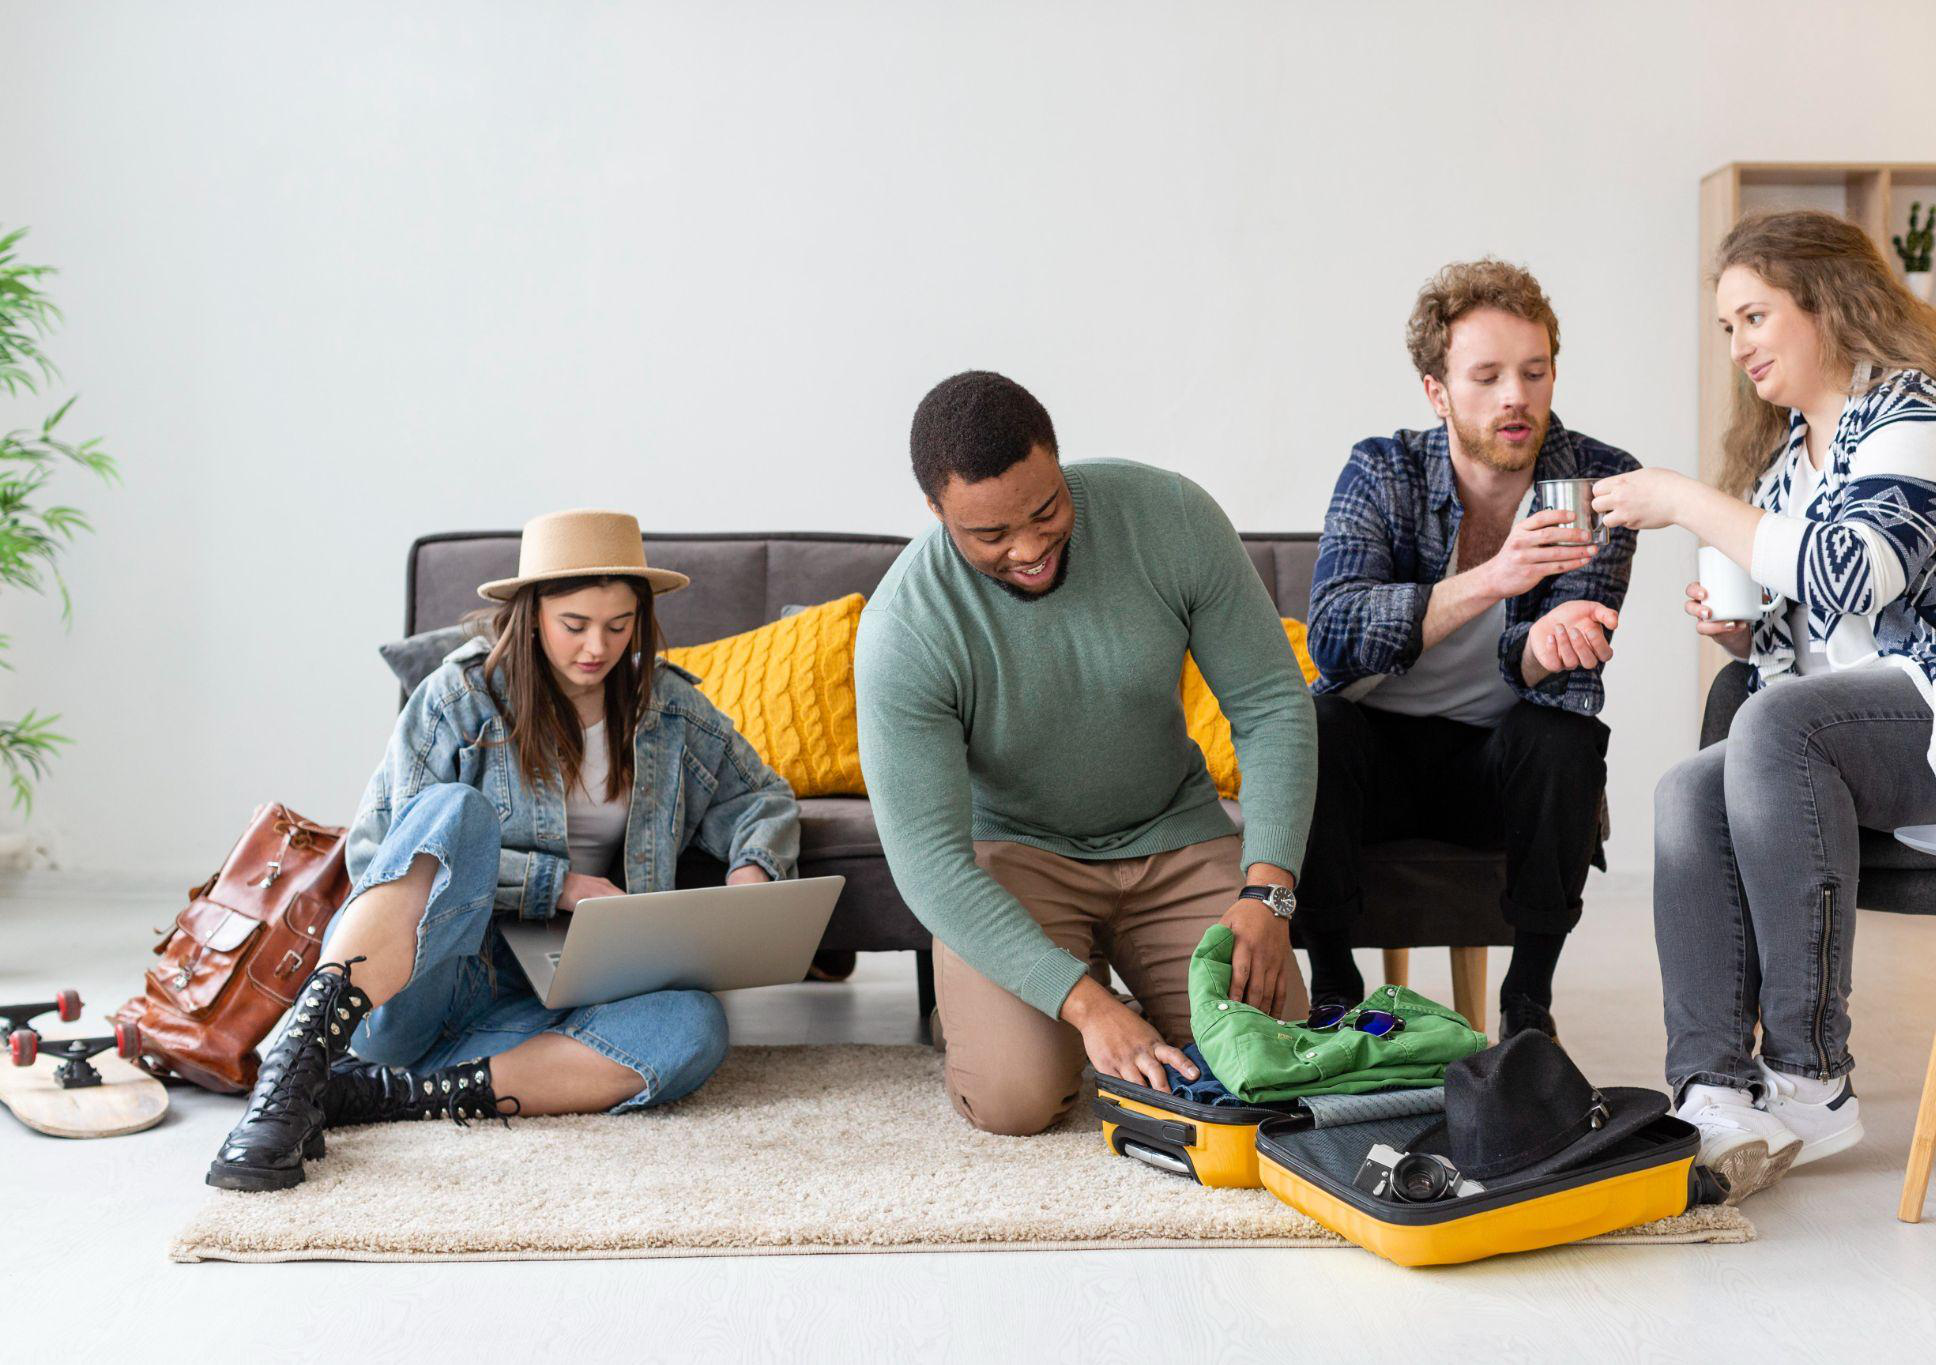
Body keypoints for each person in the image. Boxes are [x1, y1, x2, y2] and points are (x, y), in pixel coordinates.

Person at [1593, 209, 1936, 1201]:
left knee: (1773, 723)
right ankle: (1715, 1089)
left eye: (1754, 317)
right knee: (1687, 787)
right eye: (1727, 327)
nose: (1737, 346)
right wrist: (1740, 635)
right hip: (1876, 729)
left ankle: (1810, 1076)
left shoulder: (1919, 412)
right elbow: (1812, 652)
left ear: (1829, 306)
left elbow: (1849, 573)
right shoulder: (1786, 462)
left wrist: (1680, 498)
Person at [207, 509, 801, 1191]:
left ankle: (383, 1093)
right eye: (575, 624)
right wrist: (557, 884)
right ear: (531, 614)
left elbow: (761, 796)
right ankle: (295, 1074)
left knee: (691, 1025)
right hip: (418, 985)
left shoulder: (666, 708)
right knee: (454, 810)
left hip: (552, 994)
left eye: (619, 626)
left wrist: (750, 876)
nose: (597, 647)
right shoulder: (457, 699)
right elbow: (383, 854)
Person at [854, 371, 1317, 1135]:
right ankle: (1017, 1004)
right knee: (1016, 1099)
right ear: (936, 511)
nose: (1030, 548)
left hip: (1172, 833)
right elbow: (929, 860)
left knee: (1271, 1072)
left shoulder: (1172, 516)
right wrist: (1086, 1005)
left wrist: (1268, 892)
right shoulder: (904, 629)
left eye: (1046, 511)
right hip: (1018, 860)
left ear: (1057, 460)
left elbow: (1270, 703)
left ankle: (1097, 993)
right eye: (991, 535)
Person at [1297, 259, 1640, 1040]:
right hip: (1375, 756)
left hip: (1495, 761)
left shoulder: (1597, 478)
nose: (1516, 395)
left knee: (1565, 736)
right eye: (1486, 377)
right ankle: (1335, 985)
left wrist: (1547, 648)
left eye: (1534, 372)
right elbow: (1335, 634)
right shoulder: (1382, 470)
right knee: (1314, 728)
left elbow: (1564, 682)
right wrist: (1494, 578)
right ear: (1438, 392)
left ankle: (1528, 1003)